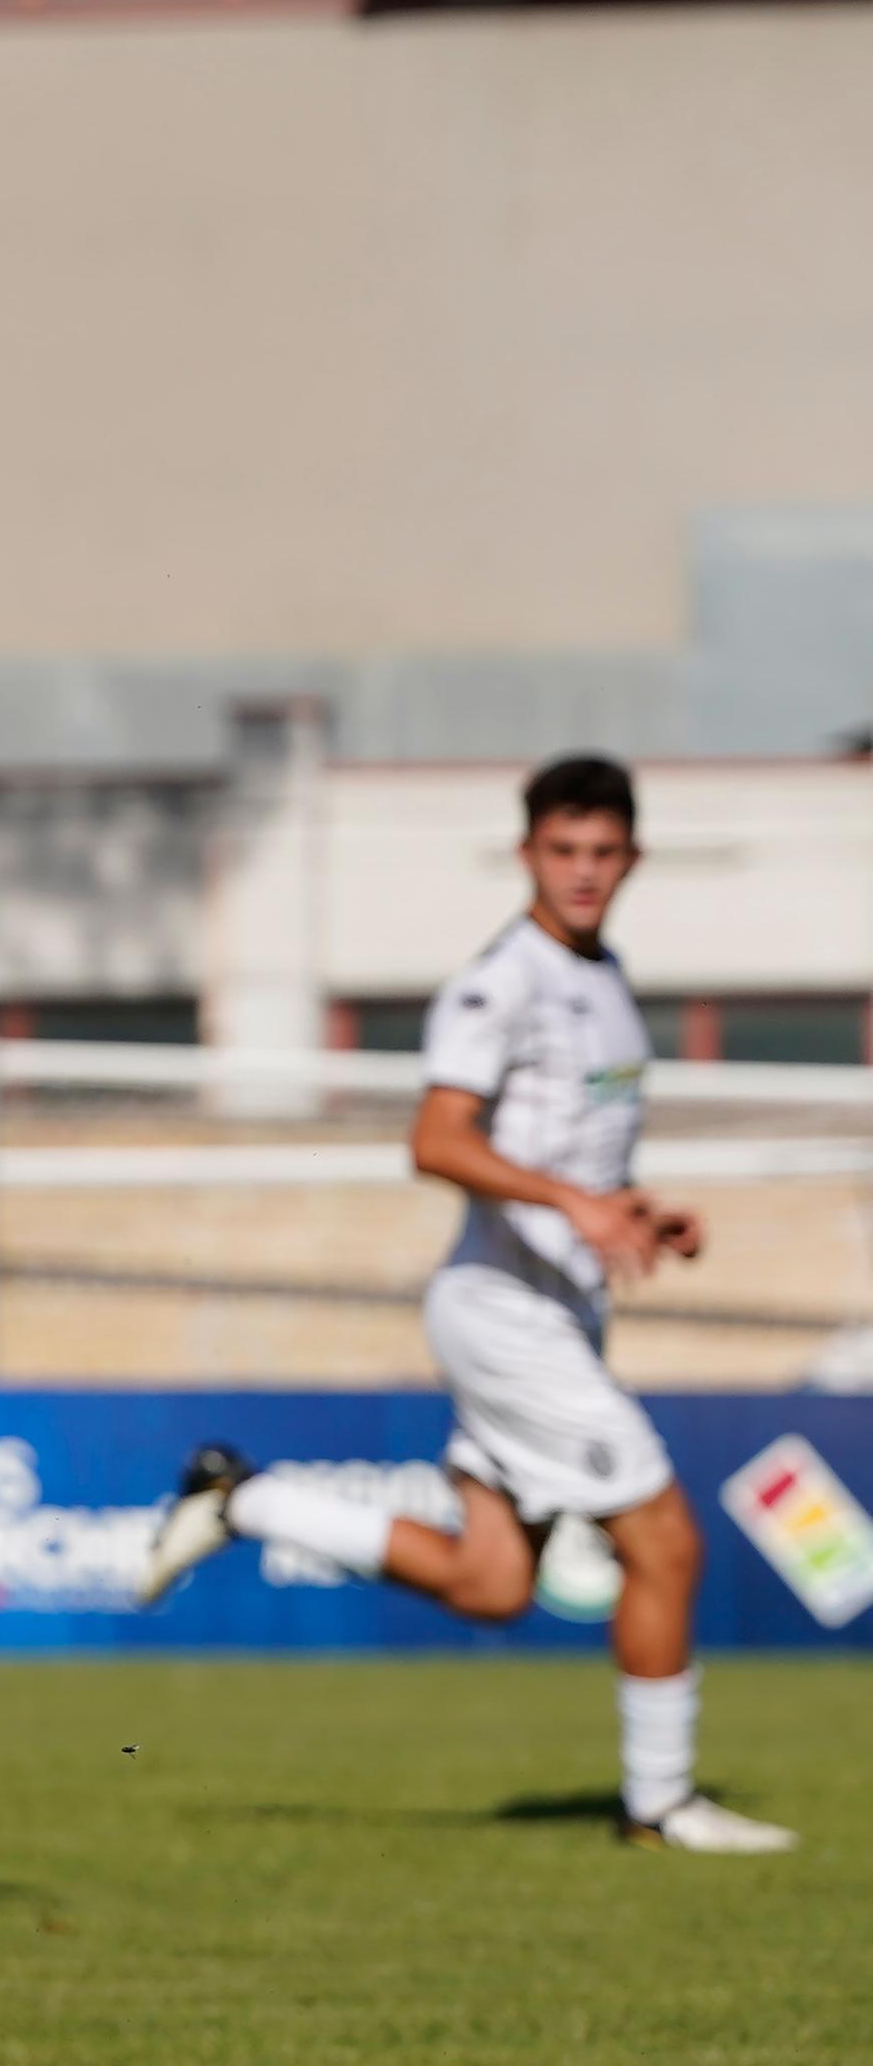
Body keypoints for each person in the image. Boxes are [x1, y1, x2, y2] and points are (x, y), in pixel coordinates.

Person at [136, 754, 793, 1854]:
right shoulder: (504, 980)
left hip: (551, 1309)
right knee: (667, 1543)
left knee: (490, 1583)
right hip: (505, 1314)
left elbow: (562, 1153)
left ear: (630, 856)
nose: (583, 872)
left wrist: (631, 1212)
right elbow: (436, 1139)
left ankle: (241, 1500)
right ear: (528, 852)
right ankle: (660, 1803)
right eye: (561, 851)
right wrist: (573, 1205)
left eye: (602, 852)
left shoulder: (604, 974)